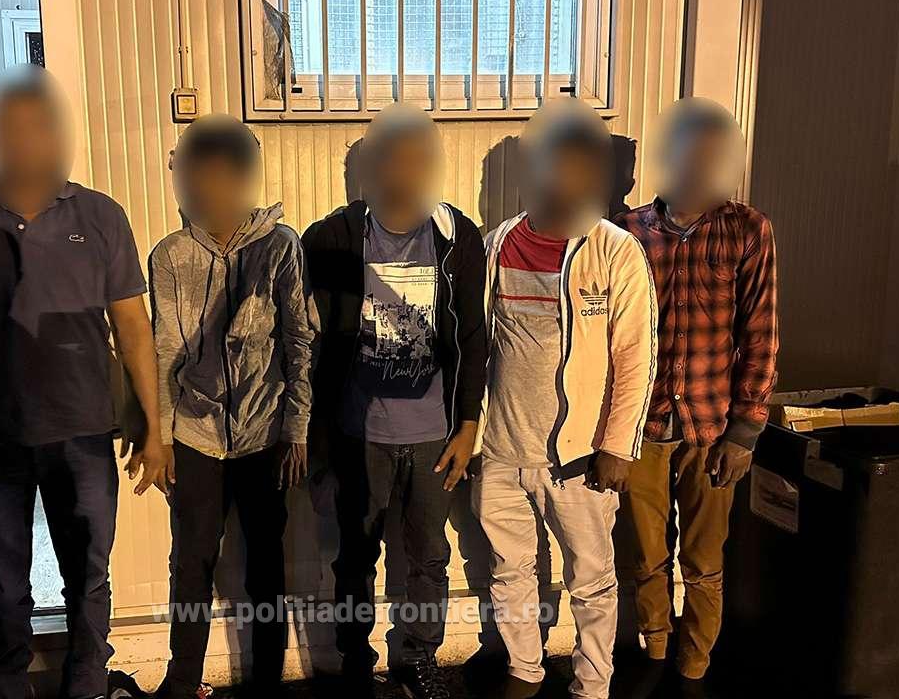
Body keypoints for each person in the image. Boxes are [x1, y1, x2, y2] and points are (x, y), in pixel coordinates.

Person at [0, 66, 165, 699]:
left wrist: (154, 428)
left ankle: (88, 685)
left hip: (82, 435)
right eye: (9, 127)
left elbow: (133, 327)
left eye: (36, 126)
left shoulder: (99, 215)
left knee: (89, 578)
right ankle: (6, 686)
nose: (23, 140)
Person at [473, 99, 657, 699]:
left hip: (579, 456)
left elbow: (635, 356)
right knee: (509, 571)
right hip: (503, 450)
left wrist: (618, 445)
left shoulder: (615, 250)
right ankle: (524, 670)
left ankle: (592, 684)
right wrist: (472, 436)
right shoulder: (498, 244)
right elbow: (478, 346)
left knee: (592, 580)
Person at [303, 104, 487, 699]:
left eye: (416, 161)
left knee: (429, 557)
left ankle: (418, 658)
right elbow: (306, 341)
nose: (403, 174)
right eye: (392, 160)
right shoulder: (332, 237)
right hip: (360, 434)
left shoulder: (457, 237)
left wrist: (468, 423)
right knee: (354, 557)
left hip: (434, 433)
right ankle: (354, 659)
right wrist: (313, 436)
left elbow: (474, 337)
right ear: (372, 168)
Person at [612, 98, 778, 699]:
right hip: (643, 427)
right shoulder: (627, 232)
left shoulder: (748, 230)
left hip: (712, 429)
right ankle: (655, 653)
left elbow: (761, 333)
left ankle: (694, 670)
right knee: (645, 557)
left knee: (705, 564)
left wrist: (745, 432)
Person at [147, 115, 315, 699]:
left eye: (224, 175)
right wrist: (161, 436)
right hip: (194, 434)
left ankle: (267, 679)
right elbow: (165, 348)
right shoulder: (170, 256)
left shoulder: (280, 245)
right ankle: (183, 680)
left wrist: (297, 428)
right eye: (201, 175)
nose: (212, 188)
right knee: (190, 561)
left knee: (265, 563)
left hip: (266, 432)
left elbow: (300, 339)